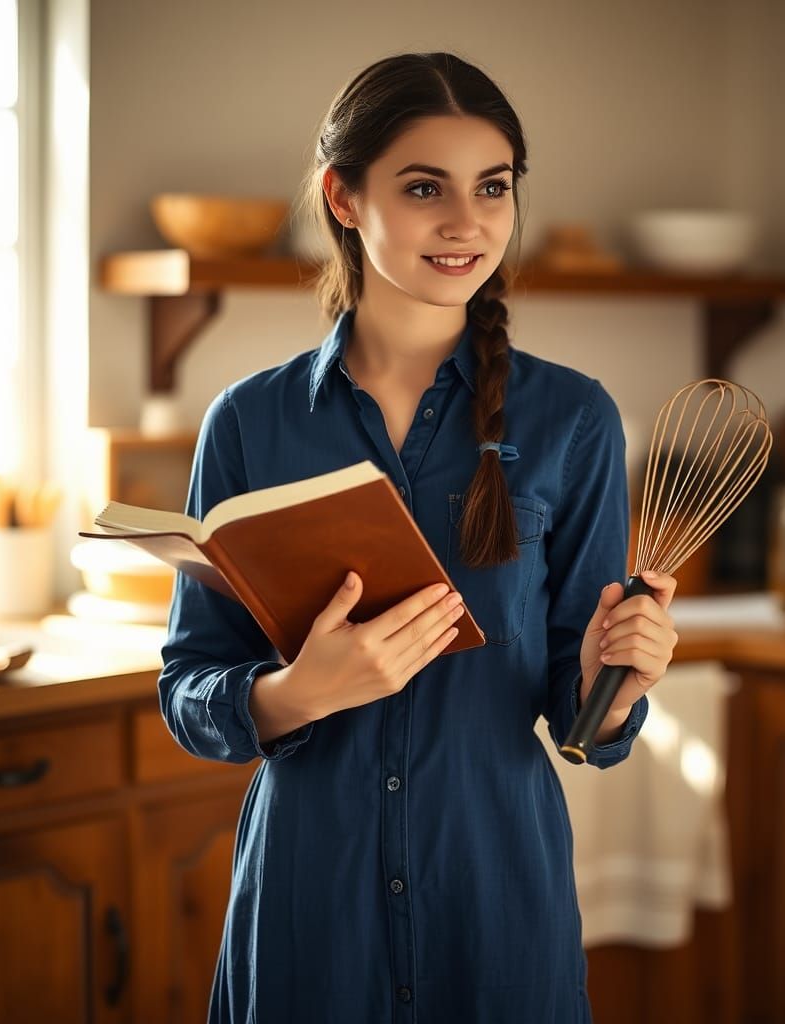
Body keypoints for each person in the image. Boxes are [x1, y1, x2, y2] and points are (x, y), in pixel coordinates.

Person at [158, 51, 678, 1024]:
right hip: (310, 913)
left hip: (497, 900)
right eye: (424, 187)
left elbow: (580, 715)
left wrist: (621, 683)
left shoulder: (574, 420)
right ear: (343, 198)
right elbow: (187, 686)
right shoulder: (249, 422)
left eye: (493, 187)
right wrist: (294, 693)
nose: (467, 221)